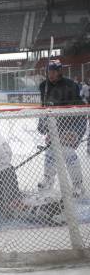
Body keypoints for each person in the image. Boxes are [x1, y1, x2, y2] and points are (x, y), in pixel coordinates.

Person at [38, 59, 86, 198]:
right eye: (48, 71)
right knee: (50, 152)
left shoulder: (71, 85)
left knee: (67, 151)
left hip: (73, 123)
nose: (50, 74)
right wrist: (43, 126)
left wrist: (73, 132)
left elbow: (79, 111)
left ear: (59, 71)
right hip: (55, 123)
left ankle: (78, 185)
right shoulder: (43, 86)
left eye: (53, 71)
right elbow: (44, 108)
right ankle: (48, 179)